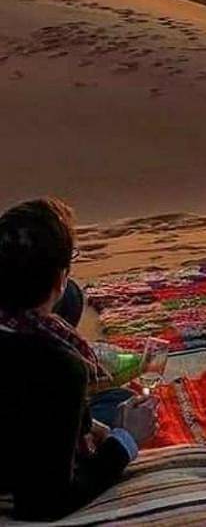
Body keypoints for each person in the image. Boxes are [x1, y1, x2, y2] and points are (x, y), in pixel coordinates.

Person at [0, 198, 158, 521]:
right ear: (59, 279)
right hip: (19, 463)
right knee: (122, 403)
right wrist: (125, 441)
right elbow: (45, 502)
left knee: (112, 402)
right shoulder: (59, 367)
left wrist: (88, 423)